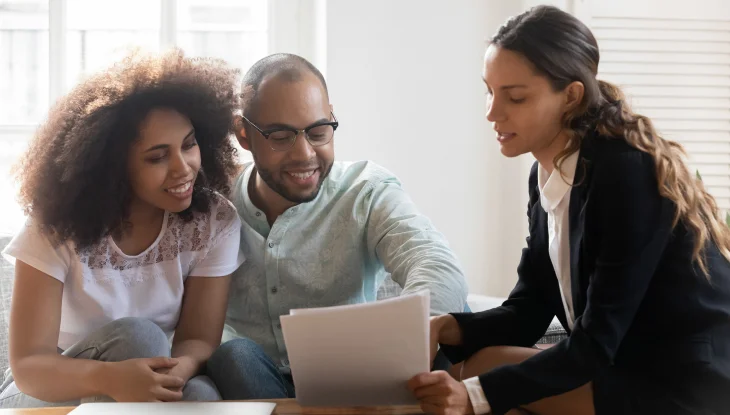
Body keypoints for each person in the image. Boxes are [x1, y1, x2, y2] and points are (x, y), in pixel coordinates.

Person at [408, 5, 730, 415]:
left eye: (515, 96)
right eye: (489, 91)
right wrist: (445, 326)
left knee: (475, 388)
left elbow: (596, 341)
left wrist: (475, 397)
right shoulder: (545, 176)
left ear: (571, 96)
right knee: (475, 368)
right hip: (619, 365)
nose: (492, 112)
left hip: (679, 384)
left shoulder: (624, 173)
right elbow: (527, 311)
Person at [205, 53, 469, 400]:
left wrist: (408, 335)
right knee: (234, 354)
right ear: (243, 133)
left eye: (318, 132)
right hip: (253, 382)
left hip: (354, 380)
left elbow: (435, 263)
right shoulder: (211, 205)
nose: (304, 154)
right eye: (281, 137)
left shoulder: (366, 190)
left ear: (331, 118)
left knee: (456, 315)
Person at [0, 49, 244, 407]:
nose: (184, 168)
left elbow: (196, 341)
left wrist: (175, 372)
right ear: (113, 166)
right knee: (139, 337)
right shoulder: (57, 226)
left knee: (202, 395)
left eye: (189, 145)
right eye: (158, 157)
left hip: (144, 380)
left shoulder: (213, 221)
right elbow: (29, 367)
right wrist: (113, 379)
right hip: (47, 393)